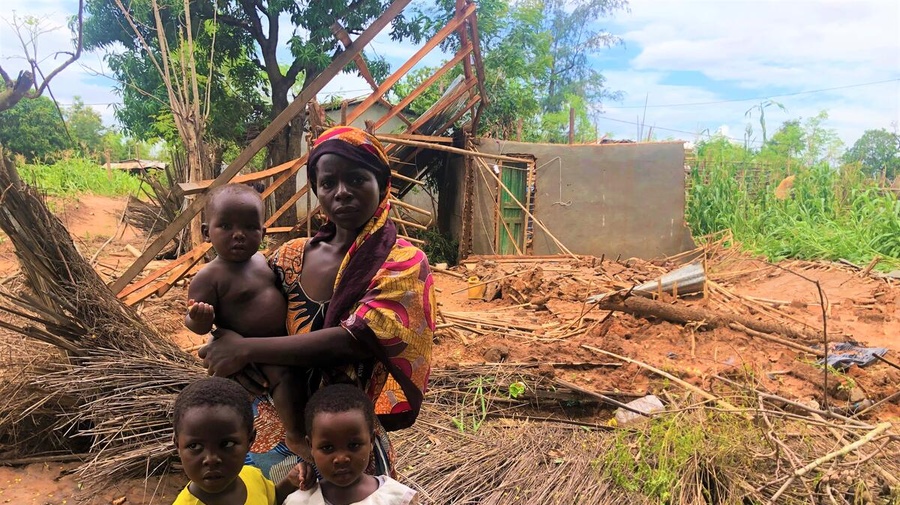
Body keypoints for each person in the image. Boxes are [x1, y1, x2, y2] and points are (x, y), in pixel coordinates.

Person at [199, 126, 435, 485]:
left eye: (356, 179)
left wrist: (245, 349)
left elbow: (352, 340)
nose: (342, 193)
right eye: (328, 183)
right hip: (272, 420)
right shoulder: (290, 255)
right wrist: (227, 346)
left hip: (344, 436)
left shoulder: (402, 262)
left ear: (383, 182)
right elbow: (240, 305)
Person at [184, 183, 308, 455]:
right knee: (283, 378)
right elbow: (196, 325)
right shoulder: (209, 277)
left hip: (279, 342)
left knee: (297, 378)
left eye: (250, 227)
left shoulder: (263, 261)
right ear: (207, 232)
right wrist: (200, 318)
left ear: (263, 232)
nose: (238, 235)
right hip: (253, 353)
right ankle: (295, 434)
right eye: (226, 227)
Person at [171, 377, 300, 505]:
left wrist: (290, 482)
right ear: (177, 445)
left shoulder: (251, 476)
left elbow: (270, 498)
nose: (211, 459)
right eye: (194, 446)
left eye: (226, 444)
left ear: (250, 440)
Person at [284, 384, 417, 505]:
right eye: (327, 448)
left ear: (371, 441)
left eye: (353, 445)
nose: (341, 458)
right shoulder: (300, 501)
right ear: (310, 446)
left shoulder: (397, 498)